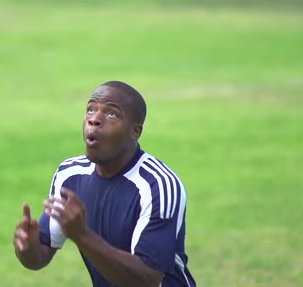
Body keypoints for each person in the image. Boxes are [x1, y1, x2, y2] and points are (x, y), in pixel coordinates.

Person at [13, 81, 196, 287]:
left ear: (135, 132)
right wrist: (27, 249)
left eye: (111, 114)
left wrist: (82, 235)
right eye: (90, 109)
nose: (94, 119)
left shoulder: (158, 185)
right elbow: (41, 254)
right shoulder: (70, 175)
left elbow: (147, 279)